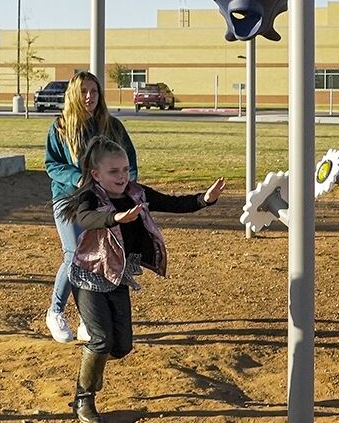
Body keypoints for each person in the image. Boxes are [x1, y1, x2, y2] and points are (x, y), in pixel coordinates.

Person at [64, 135, 224, 422]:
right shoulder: (90, 196)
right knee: (102, 340)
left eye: (125, 169)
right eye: (114, 171)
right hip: (89, 275)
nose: (122, 176)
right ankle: (83, 399)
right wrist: (115, 218)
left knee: (122, 346)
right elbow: (85, 218)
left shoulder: (137, 193)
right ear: (96, 175)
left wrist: (204, 199)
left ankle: (94, 362)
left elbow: (171, 203)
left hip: (118, 277)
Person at [44, 71, 139, 343]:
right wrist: (77, 178)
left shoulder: (113, 126)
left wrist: (125, 189)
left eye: (94, 91)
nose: (89, 96)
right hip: (69, 200)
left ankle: (88, 318)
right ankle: (55, 311)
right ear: (73, 95)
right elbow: (52, 164)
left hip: (103, 202)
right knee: (74, 252)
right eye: (84, 91)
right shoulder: (61, 127)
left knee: (98, 256)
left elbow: (130, 163)